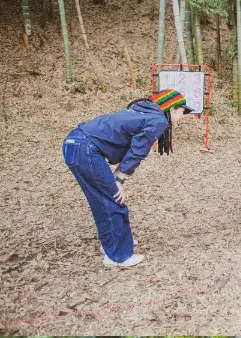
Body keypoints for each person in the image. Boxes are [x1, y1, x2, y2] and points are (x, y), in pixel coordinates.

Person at [61, 90, 192, 268]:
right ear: (173, 109)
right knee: (114, 200)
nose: (182, 117)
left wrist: (118, 176)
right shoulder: (158, 120)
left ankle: (113, 243)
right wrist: (119, 180)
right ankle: (118, 256)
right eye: (183, 112)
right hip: (85, 148)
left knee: (103, 200)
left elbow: (129, 145)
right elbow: (137, 151)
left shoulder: (144, 113)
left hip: (74, 145)